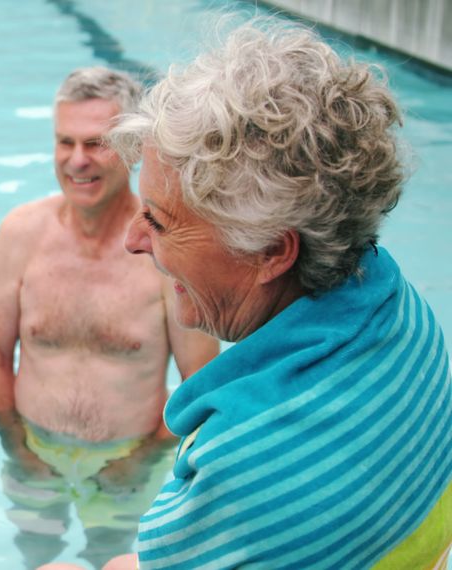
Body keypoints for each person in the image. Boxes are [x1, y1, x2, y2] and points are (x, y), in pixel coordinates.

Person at [97, 20, 452, 570]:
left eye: (161, 222)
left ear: (270, 253)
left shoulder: (242, 470)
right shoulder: (408, 320)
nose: (133, 240)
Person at [0, 67, 221, 567]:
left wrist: (142, 459)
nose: (77, 160)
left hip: (128, 464)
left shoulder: (165, 250)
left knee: (109, 560)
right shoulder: (20, 234)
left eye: (96, 144)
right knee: (34, 554)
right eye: (65, 142)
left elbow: (202, 387)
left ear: (132, 150)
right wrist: (19, 448)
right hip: (33, 452)